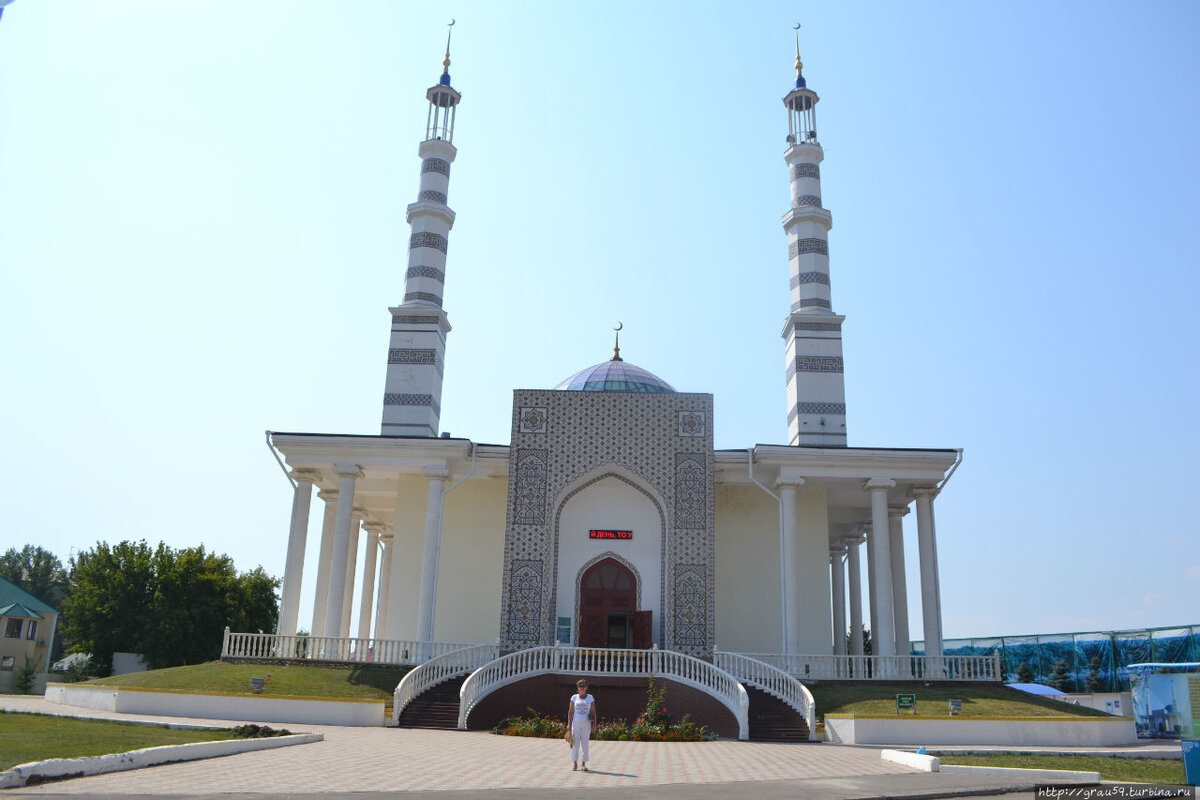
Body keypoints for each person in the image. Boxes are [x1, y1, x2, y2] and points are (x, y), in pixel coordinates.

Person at [567, 678, 596, 771]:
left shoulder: (590, 698)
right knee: (575, 743)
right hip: (576, 723)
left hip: (586, 724)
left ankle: (583, 764)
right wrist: (569, 724)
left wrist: (594, 724)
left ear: (586, 687)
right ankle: (575, 763)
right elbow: (571, 711)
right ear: (578, 688)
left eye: (583, 686)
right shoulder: (574, 697)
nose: (582, 688)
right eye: (580, 686)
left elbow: (593, 711)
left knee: (585, 743)